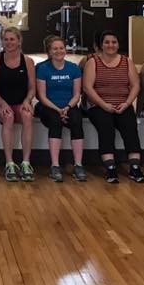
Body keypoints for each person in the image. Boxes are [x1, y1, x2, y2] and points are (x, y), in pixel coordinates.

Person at [82, 30, 144, 183]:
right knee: (106, 127)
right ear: (101, 45)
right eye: (107, 42)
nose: (111, 45)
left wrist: (127, 103)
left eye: (114, 42)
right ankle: (110, 168)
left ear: (118, 44)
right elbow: (87, 88)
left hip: (122, 104)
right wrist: (103, 105)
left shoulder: (126, 61)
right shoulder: (93, 61)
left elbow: (136, 85)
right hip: (98, 105)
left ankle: (135, 168)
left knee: (130, 127)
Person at [0, 26, 36, 182]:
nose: (8, 42)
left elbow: (32, 88)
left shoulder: (28, 61)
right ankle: (9, 163)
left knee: (27, 116)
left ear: (19, 41)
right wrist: (2, 104)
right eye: (5, 39)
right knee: (8, 117)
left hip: (21, 102)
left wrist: (27, 101)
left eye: (12, 39)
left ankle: (26, 163)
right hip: (0, 102)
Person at [35, 35, 87, 182]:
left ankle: (78, 165)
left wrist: (68, 107)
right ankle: (55, 166)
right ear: (49, 52)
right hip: (48, 107)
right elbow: (42, 96)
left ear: (66, 50)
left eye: (61, 48)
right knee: (55, 121)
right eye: (55, 49)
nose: (59, 51)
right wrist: (58, 109)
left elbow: (77, 94)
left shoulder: (74, 69)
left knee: (77, 120)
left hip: (69, 106)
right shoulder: (43, 69)